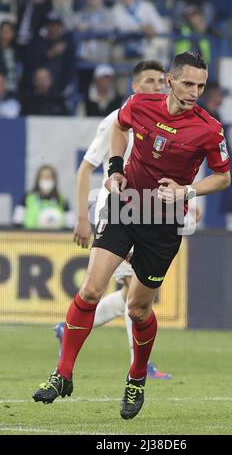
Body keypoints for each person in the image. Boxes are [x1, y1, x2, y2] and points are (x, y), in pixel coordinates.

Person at [33, 52, 231, 420]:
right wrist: (115, 168)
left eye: (201, 86)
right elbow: (119, 128)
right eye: (188, 83)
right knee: (90, 289)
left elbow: (223, 177)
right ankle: (62, 374)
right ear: (169, 81)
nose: (195, 92)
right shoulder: (139, 104)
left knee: (138, 309)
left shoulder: (209, 128)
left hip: (166, 220)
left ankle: (136, 376)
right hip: (126, 207)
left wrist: (187, 191)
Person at [55, 59, 173, 380]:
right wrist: (82, 218)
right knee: (129, 291)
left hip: (146, 212)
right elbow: (85, 168)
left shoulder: (162, 121)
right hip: (117, 211)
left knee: (131, 295)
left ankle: (68, 328)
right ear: (134, 87)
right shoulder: (115, 121)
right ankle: (140, 366)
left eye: (161, 81)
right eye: (149, 81)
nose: (157, 87)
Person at [13, 165, 74, 229]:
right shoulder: (27, 198)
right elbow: (17, 222)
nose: (45, 179)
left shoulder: (63, 200)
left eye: (48, 177)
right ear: (38, 179)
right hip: (31, 237)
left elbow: (70, 225)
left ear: (54, 180)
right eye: (42, 177)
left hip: (55, 238)